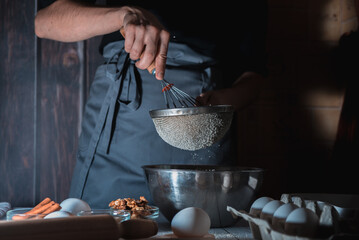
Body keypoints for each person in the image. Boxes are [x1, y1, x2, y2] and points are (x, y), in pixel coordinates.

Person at [35, 0, 268, 208]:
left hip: (205, 125)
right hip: (122, 123)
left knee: (203, 227)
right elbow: (45, 22)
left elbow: (254, 79)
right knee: (104, 223)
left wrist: (219, 104)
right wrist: (124, 16)